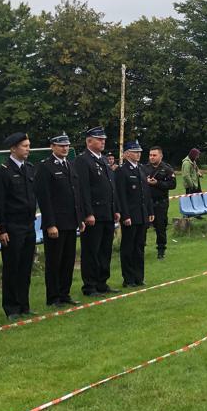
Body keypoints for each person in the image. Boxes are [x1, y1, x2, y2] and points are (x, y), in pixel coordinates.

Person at [34, 132, 83, 307]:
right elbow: (44, 198)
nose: (65, 148)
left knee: (68, 260)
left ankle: (64, 293)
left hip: (71, 221)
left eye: (67, 145)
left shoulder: (70, 165)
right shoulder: (45, 167)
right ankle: (53, 297)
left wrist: (79, 219)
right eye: (61, 145)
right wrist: (50, 224)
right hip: (56, 223)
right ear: (52, 147)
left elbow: (76, 194)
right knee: (55, 261)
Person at [0, 132, 38, 320]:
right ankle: (11, 307)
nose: (28, 149)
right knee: (12, 267)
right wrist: (2, 229)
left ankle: (24, 305)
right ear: (13, 148)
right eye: (24, 146)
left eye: (29, 146)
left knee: (26, 267)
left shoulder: (29, 168)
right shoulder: (3, 172)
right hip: (12, 226)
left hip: (28, 225)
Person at [75, 127, 119, 297]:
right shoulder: (83, 160)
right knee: (91, 251)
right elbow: (83, 189)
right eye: (99, 139)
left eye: (103, 139)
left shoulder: (103, 160)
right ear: (89, 141)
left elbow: (111, 186)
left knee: (105, 250)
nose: (102, 142)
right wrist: (88, 213)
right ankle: (90, 285)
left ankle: (102, 282)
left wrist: (115, 209)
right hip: (94, 213)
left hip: (107, 212)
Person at [115, 140, 153, 287]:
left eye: (139, 152)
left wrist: (150, 210)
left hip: (142, 214)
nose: (138, 154)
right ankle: (129, 279)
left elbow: (146, 192)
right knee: (128, 247)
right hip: (131, 215)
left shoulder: (141, 169)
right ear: (126, 154)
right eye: (135, 152)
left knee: (139, 246)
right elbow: (121, 195)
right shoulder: (122, 171)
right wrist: (125, 215)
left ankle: (139, 277)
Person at [143, 146, 176, 259]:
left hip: (160, 202)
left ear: (160, 156)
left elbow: (173, 184)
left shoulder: (167, 169)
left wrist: (157, 183)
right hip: (146, 203)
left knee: (160, 227)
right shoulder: (144, 168)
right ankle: (141, 248)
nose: (151, 157)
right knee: (143, 227)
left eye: (154, 155)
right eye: (150, 155)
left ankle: (161, 250)